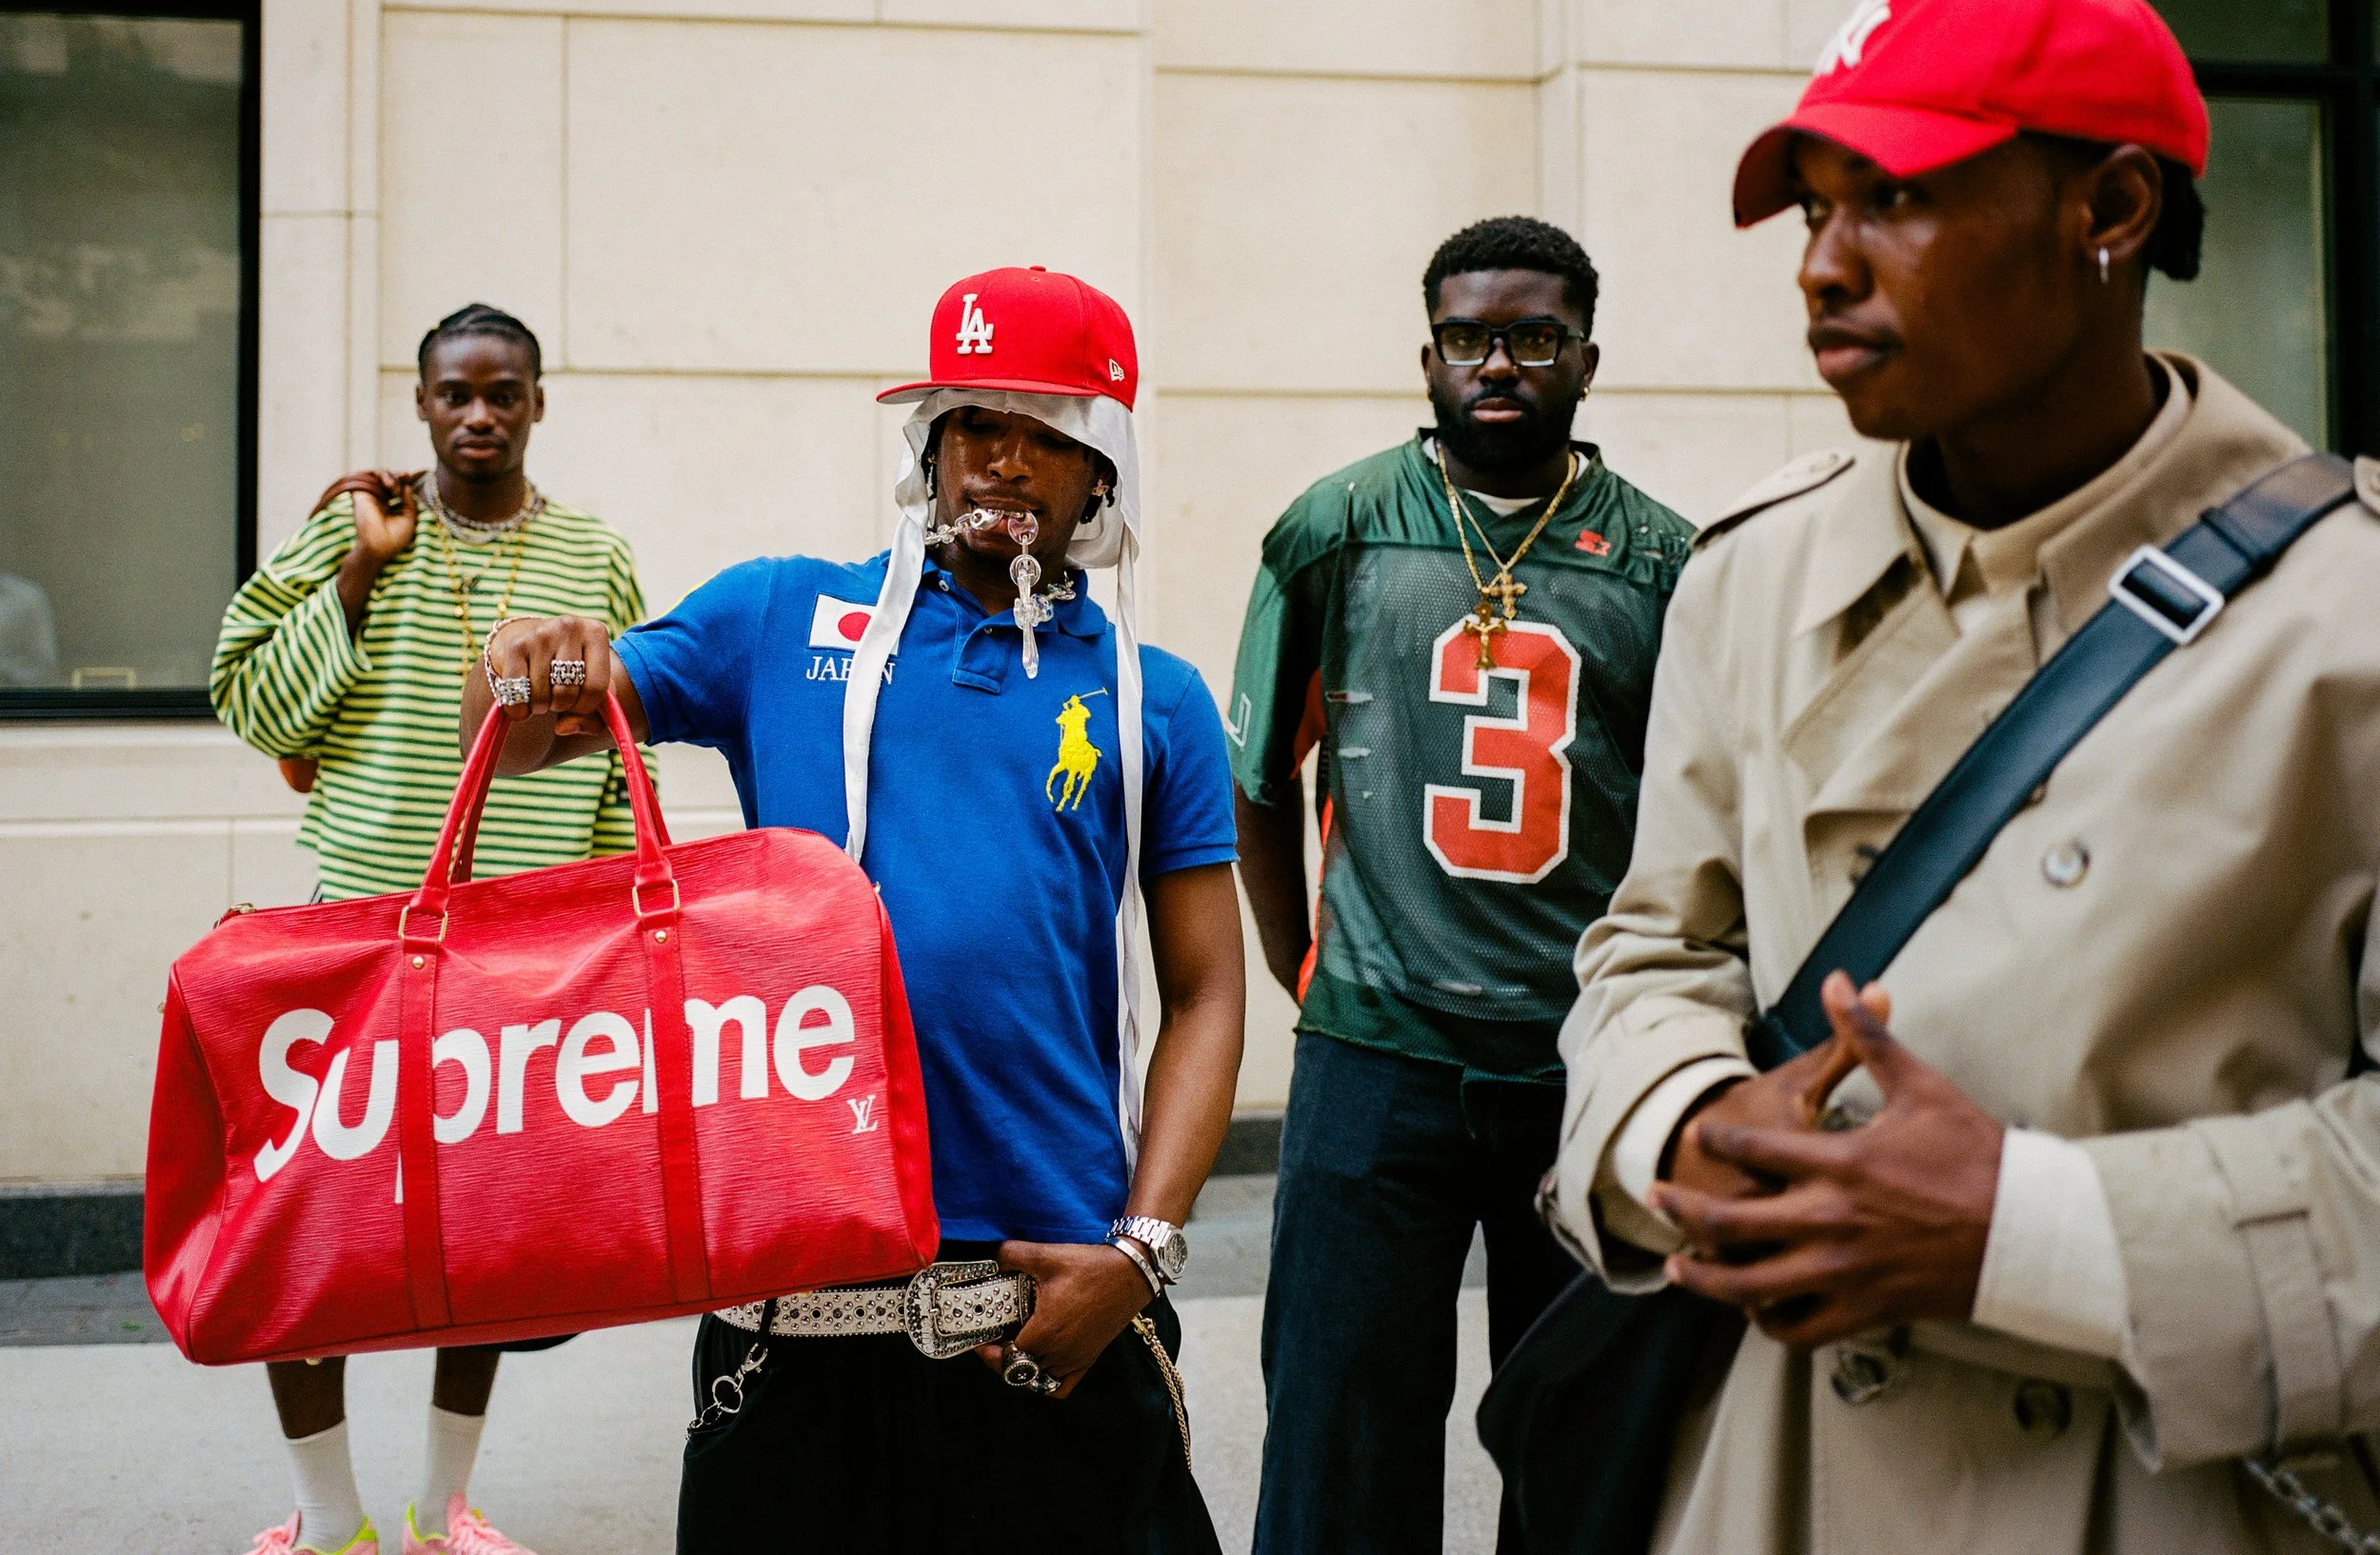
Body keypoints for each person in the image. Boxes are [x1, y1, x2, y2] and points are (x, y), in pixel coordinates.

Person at [1547, 0, 2380, 1551]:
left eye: (1898, 198)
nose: (1824, 268)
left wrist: (2038, 1235)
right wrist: (1686, 1129)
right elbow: (1651, 950)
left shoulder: (2348, 619)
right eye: (1811, 209)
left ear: (2112, 210)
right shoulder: (1749, 576)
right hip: (1771, 1486)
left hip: (2175, 1493)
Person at [461, 266, 1246, 1553]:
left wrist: (1143, 1253)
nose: (1005, 460)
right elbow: (526, 735)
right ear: (928, 443)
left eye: (1050, 433)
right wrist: (528, 671)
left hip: (1049, 1299)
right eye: (976, 423)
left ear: (1103, 470)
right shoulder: (777, 614)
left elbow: (1211, 989)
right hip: (794, 1305)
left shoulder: (1156, 699)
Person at [1230, 216, 1694, 1555]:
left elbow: (1694, 821)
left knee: (1590, 1452)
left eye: (1533, 336)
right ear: (1426, 354)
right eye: (1469, 337)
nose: (1499, 363)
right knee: (1339, 1446)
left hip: (1582, 1060)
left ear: (1587, 356)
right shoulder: (1337, 527)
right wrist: (1304, 965)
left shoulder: (1667, 560)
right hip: (1376, 1055)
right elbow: (1259, 776)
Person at [211, 304, 652, 1555]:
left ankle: (442, 1505)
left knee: (485, 1234)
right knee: (311, 1223)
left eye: (503, 393)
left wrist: (620, 919)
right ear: (419, 403)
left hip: (525, 941)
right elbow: (252, 700)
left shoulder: (595, 552)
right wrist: (354, 567)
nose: (478, 415)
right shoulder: (353, 530)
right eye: (455, 393)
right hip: (353, 935)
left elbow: (625, 762)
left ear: (537, 403)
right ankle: (328, 1513)